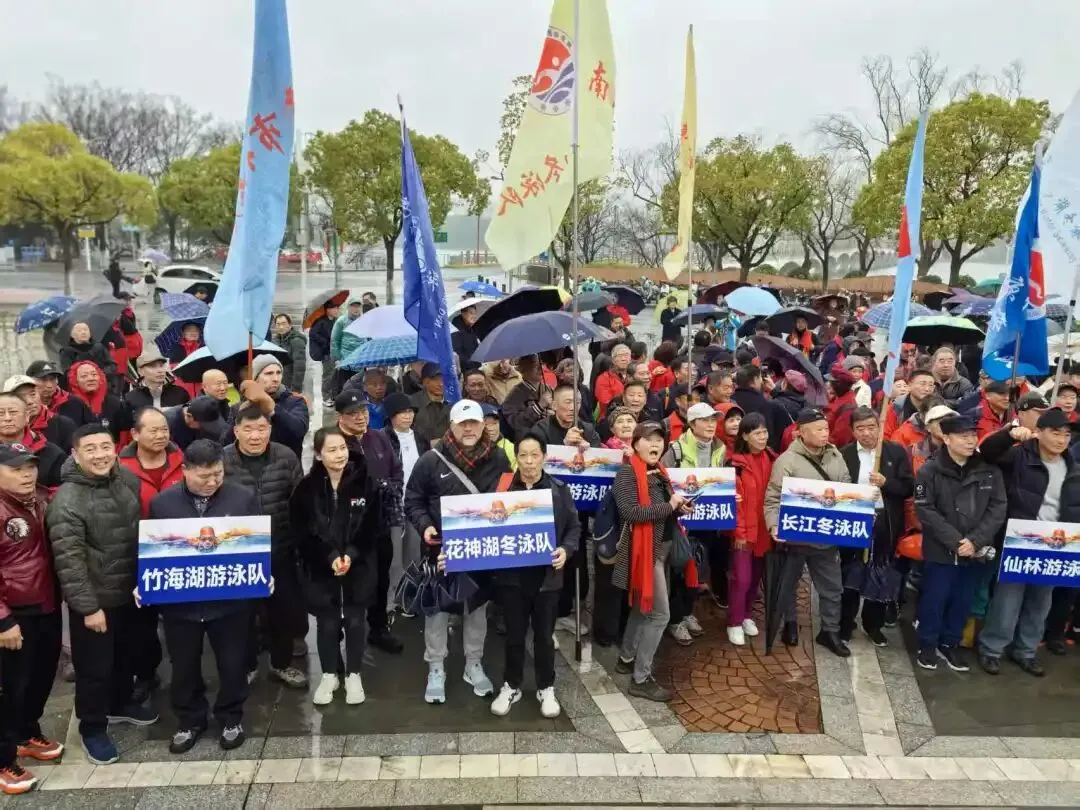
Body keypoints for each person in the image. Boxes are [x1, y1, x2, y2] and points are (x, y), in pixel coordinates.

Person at [143, 439, 261, 753]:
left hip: (230, 604)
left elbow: (258, 543)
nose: (212, 482)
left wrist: (264, 572)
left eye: (217, 474)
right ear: (184, 470)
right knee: (183, 667)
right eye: (204, 476)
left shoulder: (243, 497)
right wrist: (145, 581)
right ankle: (190, 719)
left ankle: (231, 717)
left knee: (233, 664)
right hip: (181, 606)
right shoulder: (163, 503)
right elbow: (154, 550)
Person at [47, 424, 154, 764]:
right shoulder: (66, 501)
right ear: (76, 455)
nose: (100, 455)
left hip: (128, 592)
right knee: (94, 670)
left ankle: (120, 704)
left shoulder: (126, 480)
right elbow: (69, 562)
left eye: (105, 447)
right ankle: (92, 727)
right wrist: (88, 608)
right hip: (95, 602)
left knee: (125, 657)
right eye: (90, 449)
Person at [404, 399, 511, 704]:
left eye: (473, 423)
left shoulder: (499, 457)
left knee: (476, 610)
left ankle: (473, 664)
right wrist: (425, 526)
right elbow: (413, 500)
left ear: (482, 425)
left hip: (480, 550)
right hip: (440, 551)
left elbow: (508, 497)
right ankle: (435, 666)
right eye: (462, 424)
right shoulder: (431, 460)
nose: (468, 429)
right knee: (437, 610)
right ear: (451, 426)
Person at [976, 408, 1080, 676]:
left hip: (1057, 543)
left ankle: (1026, 651)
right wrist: (1009, 435)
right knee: (1008, 597)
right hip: (1020, 538)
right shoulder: (1020, 456)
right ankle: (992, 649)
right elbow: (986, 452)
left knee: (1041, 600)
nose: (1061, 440)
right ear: (1039, 433)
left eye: (1066, 435)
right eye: (1055, 433)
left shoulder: (1073, 467)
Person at [489, 432, 579, 718]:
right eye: (523, 455)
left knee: (543, 636)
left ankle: (545, 686)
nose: (529, 461)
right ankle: (511, 685)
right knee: (514, 635)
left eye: (534, 455)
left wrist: (565, 549)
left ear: (544, 457)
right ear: (516, 457)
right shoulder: (503, 488)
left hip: (546, 578)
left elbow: (574, 527)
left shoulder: (558, 489)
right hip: (512, 578)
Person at [291, 427, 379, 706]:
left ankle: (354, 674)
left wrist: (351, 555)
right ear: (318, 454)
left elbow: (373, 528)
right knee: (327, 623)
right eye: (331, 450)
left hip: (359, 569)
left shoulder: (366, 484)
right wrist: (329, 556)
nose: (339, 454)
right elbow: (302, 532)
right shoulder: (305, 489)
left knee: (356, 621)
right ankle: (329, 674)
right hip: (321, 571)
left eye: (342, 448)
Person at [914, 414, 1007, 672]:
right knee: (935, 598)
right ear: (946, 438)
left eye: (973, 435)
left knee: (963, 600)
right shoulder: (930, 470)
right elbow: (925, 509)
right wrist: (956, 541)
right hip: (941, 548)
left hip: (975, 549)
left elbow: (998, 507)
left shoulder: (988, 469)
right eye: (963, 436)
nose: (970, 441)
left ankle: (950, 643)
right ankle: (927, 645)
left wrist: (975, 541)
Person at [223, 405, 307, 688]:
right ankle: (247, 665)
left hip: (281, 548)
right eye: (247, 429)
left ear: (270, 430)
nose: (255, 436)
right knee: (242, 614)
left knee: (282, 611)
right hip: (239, 551)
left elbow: (299, 500)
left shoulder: (286, 456)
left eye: (261, 429)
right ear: (236, 431)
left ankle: (281, 664)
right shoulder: (223, 460)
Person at [611, 422, 693, 701]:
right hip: (644, 553)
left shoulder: (659, 471)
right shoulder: (626, 473)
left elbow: (664, 511)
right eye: (649, 439)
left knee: (642, 608)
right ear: (635, 444)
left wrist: (679, 508)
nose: (655, 444)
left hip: (662, 549)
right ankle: (641, 678)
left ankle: (626, 658)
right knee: (660, 615)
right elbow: (631, 513)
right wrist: (669, 506)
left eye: (659, 439)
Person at [0, 443, 64, 795]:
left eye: (30, 467)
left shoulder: (41, 499)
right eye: (16, 469)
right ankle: (3, 759)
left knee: (40, 677)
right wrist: (3, 621)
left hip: (46, 603)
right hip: (13, 613)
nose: (26, 475)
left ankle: (26, 733)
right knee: (9, 688)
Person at [764, 408, 851, 657]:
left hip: (826, 536)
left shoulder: (835, 455)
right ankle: (790, 624)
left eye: (826, 429)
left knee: (832, 588)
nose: (825, 434)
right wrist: (773, 524)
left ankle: (830, 631)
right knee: (789, 584)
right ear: (802, 433)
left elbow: (846, 489)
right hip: (796, 536)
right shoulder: (787, 461)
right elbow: (772, 498)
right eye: (819, 430)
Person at [117, 407, 182, 699]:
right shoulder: (119, 468)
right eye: (153, 430)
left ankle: (185, 673)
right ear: (135, 434)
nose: (160, 435)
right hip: (139, 554)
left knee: (181, 619)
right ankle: (146, 674)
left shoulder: (183, 460)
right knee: (141, 622)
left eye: (164, 429)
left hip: (180, 550)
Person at [334, 391, 404, 654]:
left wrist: (388, 488)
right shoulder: (333, 442)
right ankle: (344, 632)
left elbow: (396, 471)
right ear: (340, 416)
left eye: (363, 411)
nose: (360, 417)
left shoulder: (379, 437)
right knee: (350, 580)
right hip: (349, 529)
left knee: (381, 577)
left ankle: (378, 628)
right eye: (352, 413)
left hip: (380, 521)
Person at [838, 407, 914, 647]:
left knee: (880, 575)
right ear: (853, 431)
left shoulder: (895, 452)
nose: (866, 433)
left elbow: (908, 487)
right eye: (860, 428)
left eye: (871, 427)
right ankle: (845, 623)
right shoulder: (845, 455)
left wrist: (886, 483)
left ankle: (874, 625)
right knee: (850, 574)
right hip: (854, 520)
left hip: (885, 522)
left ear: (879, 428)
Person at [661, 402, 726, 645]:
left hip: (707, 519)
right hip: (682, 521)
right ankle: (675, 619)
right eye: (705, 420)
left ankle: (687, 612)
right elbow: (664, 481)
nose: (711, 425)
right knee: (680, 567)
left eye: (713, 420)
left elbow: (722, 481)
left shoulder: (720, 448)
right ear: (692, 423)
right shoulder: (676, 450)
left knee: (698, 566)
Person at [727, 413, 774, 646]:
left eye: (765, 432)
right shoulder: (735, 465)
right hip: (744, 532)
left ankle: (746, 615)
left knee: (755, 578)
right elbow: (734, 504)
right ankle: (734, 622)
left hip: (764, 531)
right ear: (745, 436)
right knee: (741, 579)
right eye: (757, 433)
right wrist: (739, 533)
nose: (763, 437)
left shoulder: (772, 458)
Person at [383, 392, 428, 612]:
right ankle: (391, 600)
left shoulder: (420, 437)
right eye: (402, 412)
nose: (407, 416)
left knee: (414, 554)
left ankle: (410, 598)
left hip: (416, 504)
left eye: (410, 412)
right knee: (393, 557)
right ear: (391, 416)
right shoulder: (382, 439)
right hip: (392, 506)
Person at [230, 354, 310, 460]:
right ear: (255, 378)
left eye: (279, 373)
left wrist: (272, 407)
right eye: (269, 374)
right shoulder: (239, 407)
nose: (275, 379)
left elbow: (298, 431)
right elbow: (226, 443)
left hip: (286, 465)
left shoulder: (295, 401)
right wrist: (239, 416)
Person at [0, 393, 64, 490]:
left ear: (27, 416)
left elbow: (62, 491)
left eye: (13, 412)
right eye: (1, 414)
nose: (7, 418)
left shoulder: (52, 453)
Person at [4, 374, 75, 454]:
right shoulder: (5, 430)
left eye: (33, 394)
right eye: (21, 397)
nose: (29, 401)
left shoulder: (62, 425)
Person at [730, 365, 791, 453]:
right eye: (760, 378)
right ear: (755, 379)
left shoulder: (730, 401)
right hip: (762, 453)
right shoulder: (768, 405)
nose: (762, 381)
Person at [26, 360, 94, 428]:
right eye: (43, 380)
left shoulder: (74, 402)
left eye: (52, 379)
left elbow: (93, 428)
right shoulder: (24, 407)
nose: (49, 385)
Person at [124, 348, 190, 418]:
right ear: (140, 371)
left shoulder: (180, 393)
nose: (160, 370)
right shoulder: (130, 398)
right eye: (153, 366)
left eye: (161, 365)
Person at [67, 360, 124, 438]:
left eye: (94, 374)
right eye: (84, 376)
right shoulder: (68, 405)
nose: (91, 379)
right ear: (75, 381)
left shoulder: (114, 403)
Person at [884, 369, 936, 440]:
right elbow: (886, 436)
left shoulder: (938, 407)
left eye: (930, 385)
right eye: (922, 384)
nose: (927, 389)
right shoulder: (895, 408)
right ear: (909, 385)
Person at [330, 296, 365, 395]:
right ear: (348, 307)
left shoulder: (364, 320)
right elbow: (335, 341)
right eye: (353, 306)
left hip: (361, 361)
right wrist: (337, 359)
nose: (356, 309)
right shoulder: (341, 321)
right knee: (345, 387)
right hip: (346, 361)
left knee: (360, 387)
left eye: (358, 306)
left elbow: (369, 339)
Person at [308, 301, 341, 408]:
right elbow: (313, 334)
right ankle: (326, 397)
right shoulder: (320, 321)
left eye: (337, 308)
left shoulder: (336, 321)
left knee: (335, 375)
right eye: (334, 308)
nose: (336, 310)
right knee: (328, 376)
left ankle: (334, 396)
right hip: (326, 353)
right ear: (328, 310)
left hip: (335, 352)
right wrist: (325, 342)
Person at [411, 362, 452, 446]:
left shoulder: (453, 402)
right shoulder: (413, 402)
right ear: (425, 382)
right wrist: (427, 444)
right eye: (436, 380)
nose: (441, 384)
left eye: (444, 379)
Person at [272, 313, 308, 394]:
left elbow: (299, 367)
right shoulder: (275, 340)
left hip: (290, 385)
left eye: (284, 324)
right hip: (278, 383)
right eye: (278, 324)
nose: (281, 327)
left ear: (290, 325)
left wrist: (296, 390)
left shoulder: (297, 341)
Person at [595, 344, 631, 419]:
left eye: (626, 355)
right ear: (613, 360)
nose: (623, 359)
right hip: (610, 417)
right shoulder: (603, 378)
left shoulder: (634, 375)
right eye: (620, 356)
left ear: (630, 358)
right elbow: (605, 403)